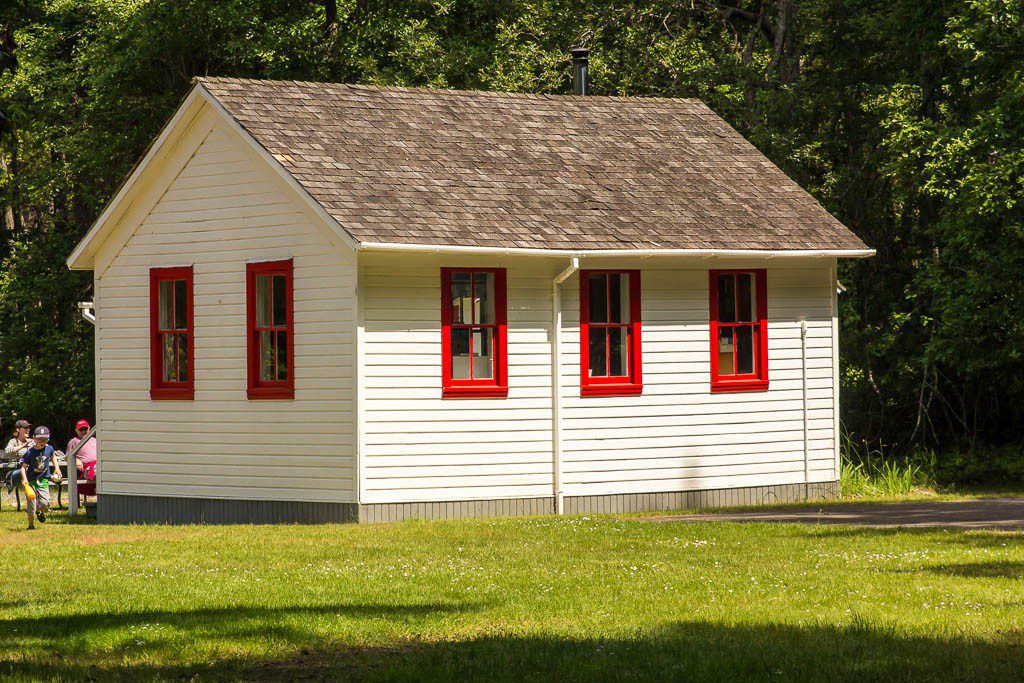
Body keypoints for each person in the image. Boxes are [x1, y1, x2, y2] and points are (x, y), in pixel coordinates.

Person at [20, 426, 61, 529]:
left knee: (45, 503)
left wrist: (57, 468)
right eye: (39, 439)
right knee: (31, 504)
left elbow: (53, 457)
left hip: (43, 480)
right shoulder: (30, 452)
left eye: (45, 439)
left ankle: (39, 510)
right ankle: (31, 525)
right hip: (31, 481)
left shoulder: (49, 448)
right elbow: (23, 468)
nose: (42, 441)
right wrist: (25, 479)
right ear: (34, 438)